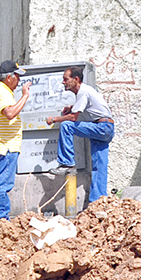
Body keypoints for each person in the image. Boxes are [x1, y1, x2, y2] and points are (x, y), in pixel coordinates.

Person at [46, 67, 116, 203]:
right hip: (106, 127)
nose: (63, 82)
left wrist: (54, 119)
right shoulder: (84, 91)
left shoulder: (83, 91)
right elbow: (86, 107)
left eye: (66, 79)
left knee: (66, 125)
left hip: (102, 127)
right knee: (99, 166)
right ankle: (98, 201)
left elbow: (73, 118)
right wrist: (72, 107)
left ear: (76, 79)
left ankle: (66, 162)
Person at [0, 59, 30, 225]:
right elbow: (10, 113)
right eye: (17, 77)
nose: (19, 81)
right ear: (9, 78)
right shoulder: (2, 92)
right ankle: (0, 220)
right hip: (6, 147)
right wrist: (25, 96)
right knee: (1, 185)